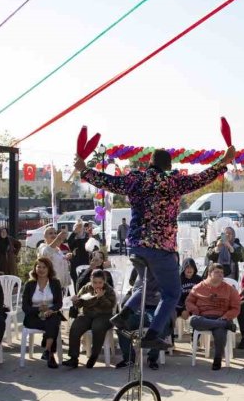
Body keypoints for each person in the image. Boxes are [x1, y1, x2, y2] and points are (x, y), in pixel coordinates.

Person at [77, 144, 234, 349]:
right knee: (171, 293)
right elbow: (201, 178)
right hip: (161, 248)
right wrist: (223, 162)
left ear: (149, 163)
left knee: (147, 286)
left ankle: (122, 315)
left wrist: (84, 170)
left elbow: (108, 181)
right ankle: (152, 334)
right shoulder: (172, 181)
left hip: (136, 246)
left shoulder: (135, 179)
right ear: (168, 166)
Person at [186, 263, 242, 370]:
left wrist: (226, 317)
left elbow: (236, 307)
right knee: (193, 320)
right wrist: (195, 310)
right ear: (209, 273)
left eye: (222, 273)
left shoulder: (230, 289)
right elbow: (189, 302)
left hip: (220, 317)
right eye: (217, 272)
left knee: (220, 331)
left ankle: (217, 359)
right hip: (203, 318)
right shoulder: (198, 287)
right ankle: (225, 325)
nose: (220, 274)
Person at [64, 270, 117, 368]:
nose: (97, 285)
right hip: (88, 315)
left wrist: (101, 297)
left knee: (97, 326)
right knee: (76, 326)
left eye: (100, 283)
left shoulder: (109, 290)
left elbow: (111, 306)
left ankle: (94, 355)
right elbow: (80, 303)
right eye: (94, 282)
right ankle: (73, 358)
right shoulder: (86, 288)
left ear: (104, 281)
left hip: (104, 315)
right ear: (91, 281)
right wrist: (76, 301)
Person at [22, 257, 65, 369]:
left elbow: (59, 303)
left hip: (51, 314)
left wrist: (51, 310)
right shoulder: (30, 284)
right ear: (35, 268)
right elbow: (25, 307)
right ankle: (50, 355)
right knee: (53, 326)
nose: (41, 269)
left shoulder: (55, 283)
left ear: (49, 269)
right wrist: (38, 309)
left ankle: (47, 351)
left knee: (53, 320)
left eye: (44, 267)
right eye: (38, 267)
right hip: (33, 316)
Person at [38, 226, 72, 291]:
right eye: (50, 233)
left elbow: (57, 261)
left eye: (55, 233)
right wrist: (58, 238)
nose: (53, 235)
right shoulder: (42, 247)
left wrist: (65, 257)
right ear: (45, 237)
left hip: (59, 285)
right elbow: (46, 253)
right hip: (49, 285)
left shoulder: (57, 249)